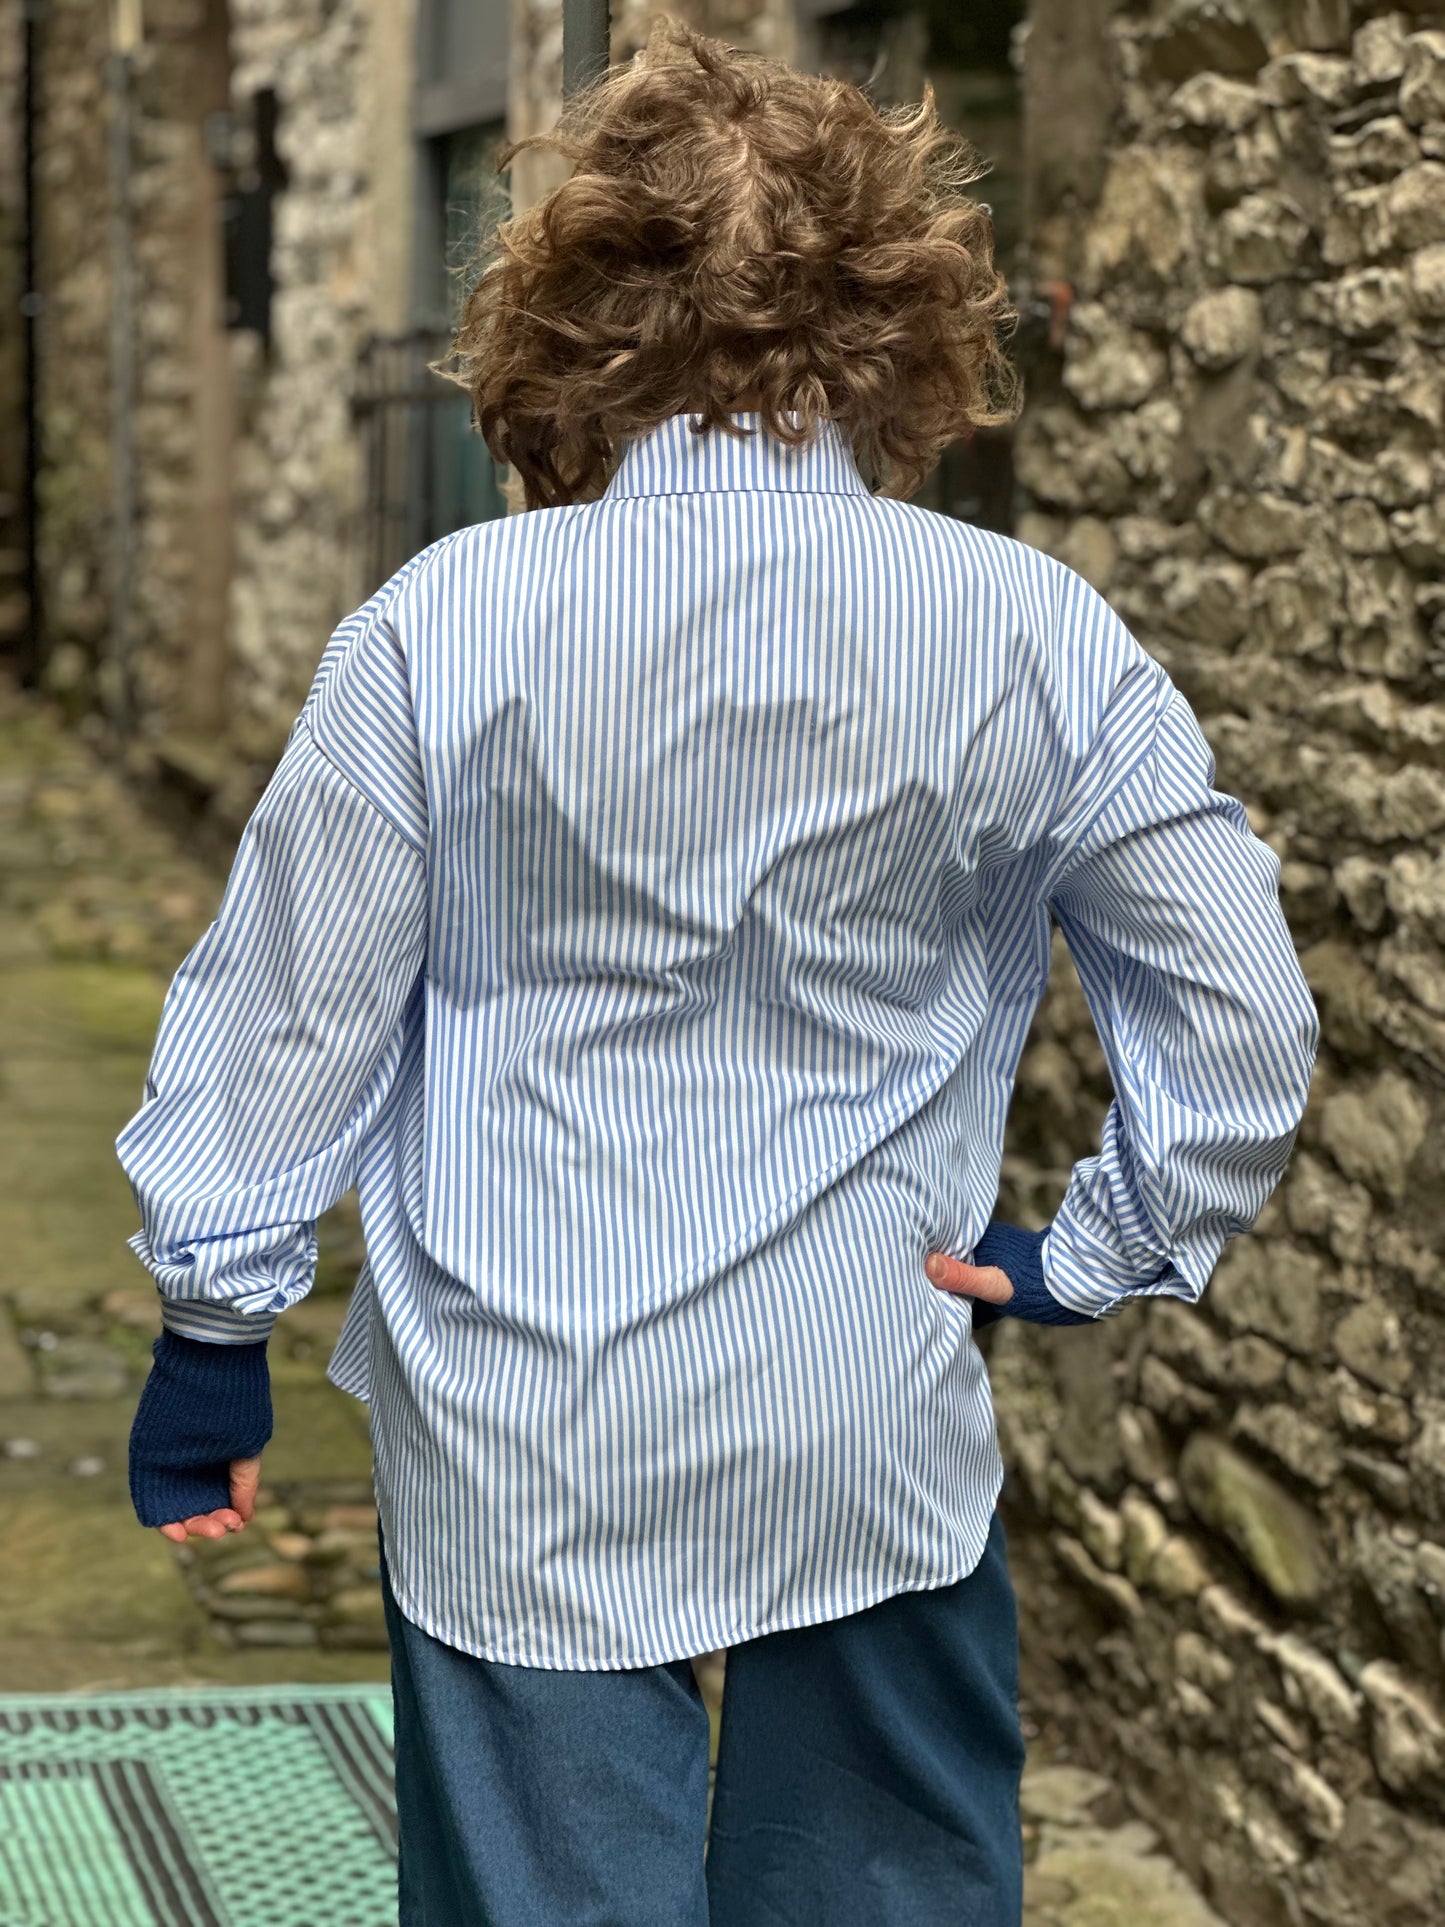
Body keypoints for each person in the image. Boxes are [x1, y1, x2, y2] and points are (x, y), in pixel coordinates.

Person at [120, 18, 1320, 1925]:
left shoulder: (443, 627)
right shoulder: (1029, 632)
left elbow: (290, 1008)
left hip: (523, 1415)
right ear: (900, 310)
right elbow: (1235, 1007)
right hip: (861, 1406)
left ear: (573, 313)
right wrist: (1105, 1248)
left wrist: (211, 1336)